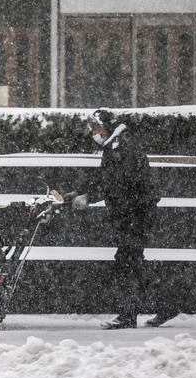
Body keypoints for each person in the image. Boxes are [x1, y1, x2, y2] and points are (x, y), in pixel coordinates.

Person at [66, 108, 168, 329]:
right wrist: (77, 193)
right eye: (92, 129)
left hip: (135, 213)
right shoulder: (115, 145)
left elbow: (119, 182)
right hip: (131, 213)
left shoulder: (123, 147)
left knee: (127, 262)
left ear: (108, 126)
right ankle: (168, 303)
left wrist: (89, 197)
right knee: (133, 262)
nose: (94, 133)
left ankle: (128, 316)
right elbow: (106, 178)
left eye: (96, 128)